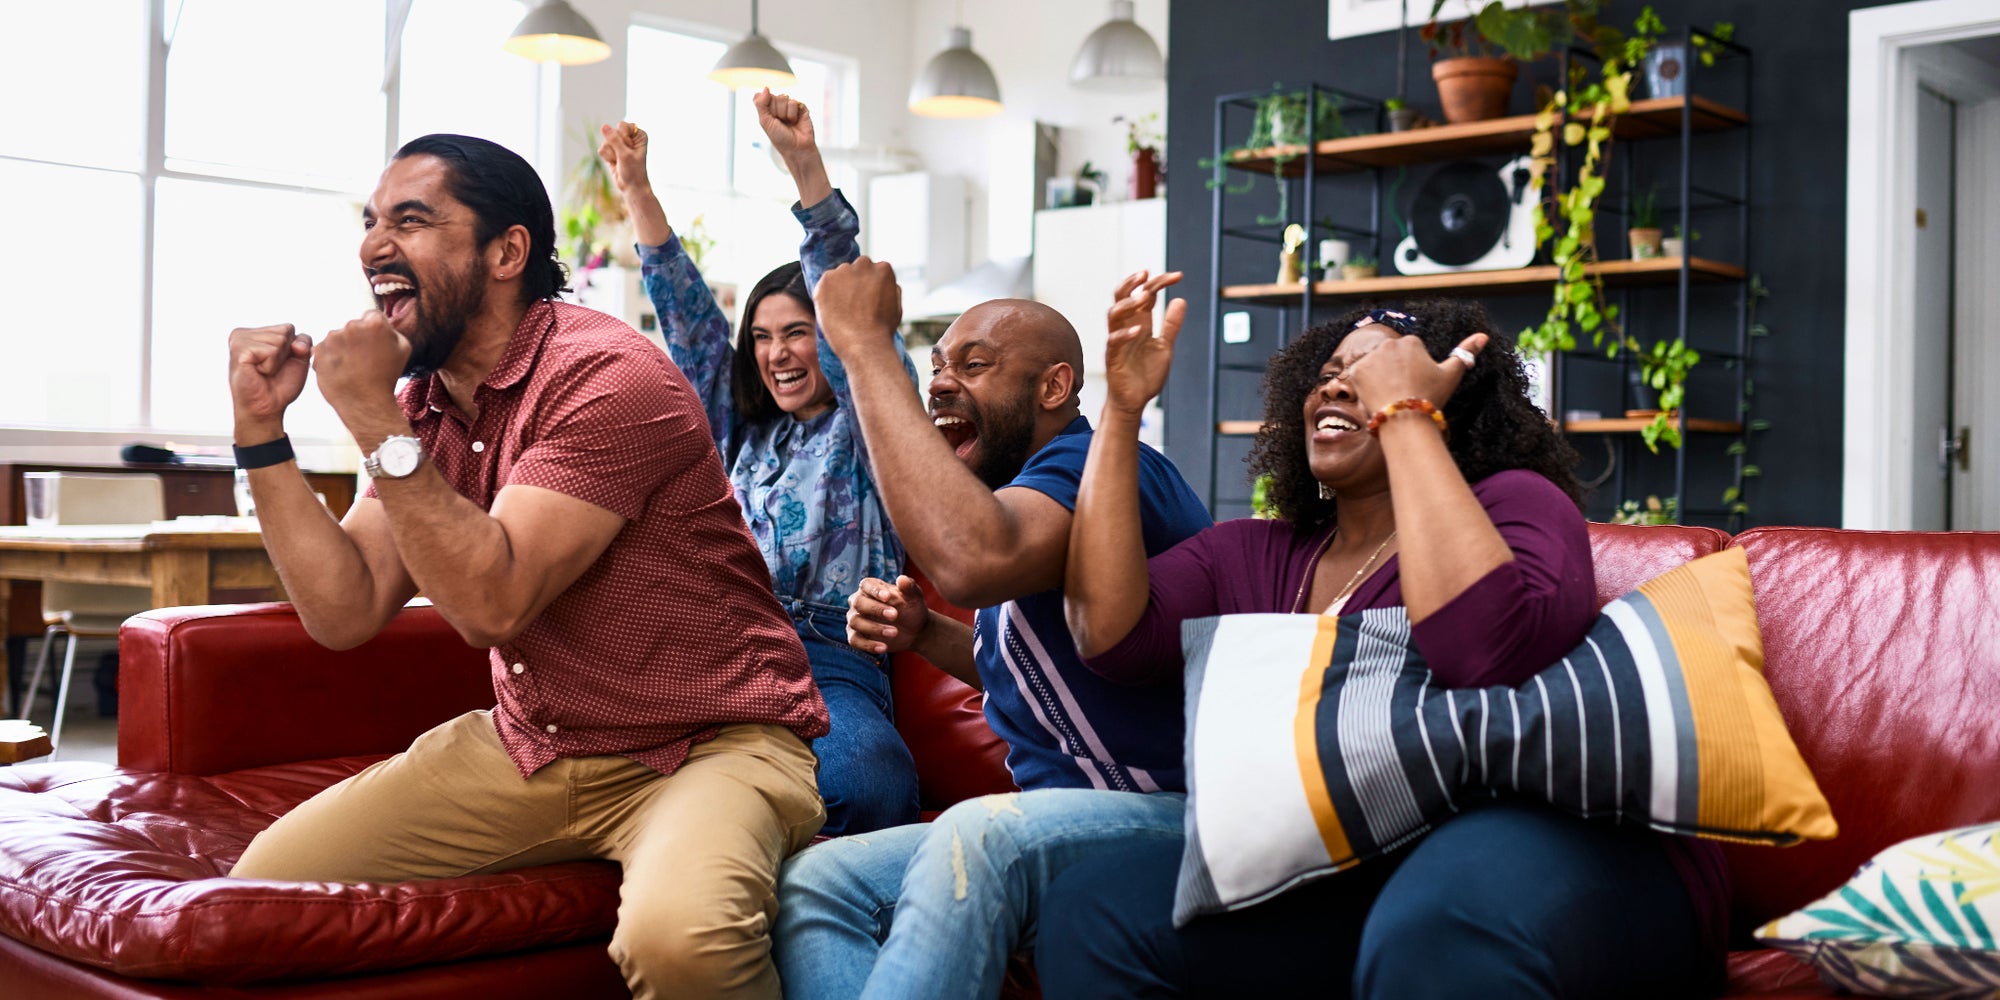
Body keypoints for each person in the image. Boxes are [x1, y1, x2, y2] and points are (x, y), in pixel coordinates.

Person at [224, 133, 829, 1000]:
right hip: (537, 746)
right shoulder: (424, 406)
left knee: (680, 944)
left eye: (412, 219)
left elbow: (491, 604)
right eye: (370, 222)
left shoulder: (608, 376)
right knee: (264, 891)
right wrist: (259, 433)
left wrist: (370, 419)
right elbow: (345, 608)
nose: (372, 245)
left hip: (711, 743)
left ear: (506, 251)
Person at [1034, 294, 1730, 998]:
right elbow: (1107, 634)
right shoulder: (1252, 554)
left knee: (1443, 921)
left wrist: (1407, 419)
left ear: (1444, 403)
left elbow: (1483, 655)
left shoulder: (1518, 503)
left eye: (1376, 371)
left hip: (1557, 837)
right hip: (1369, 861)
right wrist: (1121, 412)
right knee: (1096, 907)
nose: (1339, 383)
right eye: (1330, 369)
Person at [767, 263, 1212, 1000]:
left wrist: (865, 344)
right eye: (937, 364)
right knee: (817, 883)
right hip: (1064, 818)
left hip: (1175, 813)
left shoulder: (1098, 468)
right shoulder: (1022, 494)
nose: (941, 382)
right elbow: (1039, 673)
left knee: (977, 831)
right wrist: (924, 634)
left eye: (974, 365)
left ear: (1052, 388)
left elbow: (975, 560)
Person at [599, 90, 920, 837]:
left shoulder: (872, 423)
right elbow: (690, 325)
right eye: (766, 335)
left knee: (871, 780)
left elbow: (851, 312)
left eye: (800, 333)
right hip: (725, 653)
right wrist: (639, 191)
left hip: (831, 658)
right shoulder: (742, 435)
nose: (778, 353)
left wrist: (803, 164)